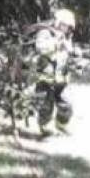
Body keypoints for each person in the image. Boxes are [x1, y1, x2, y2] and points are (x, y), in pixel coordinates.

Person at [33, 8, 75, 136]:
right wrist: (56, 43)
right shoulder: (45, 33)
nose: (66, 29)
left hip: (60, 78)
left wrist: (70, 49)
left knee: (66, 105)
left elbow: (68, 52)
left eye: (69, 27)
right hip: (46, 76)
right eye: (65, 25)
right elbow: (41, 49)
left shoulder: (66, 37)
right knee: (46, 104)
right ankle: (44, 127)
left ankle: (61, 124)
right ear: (58, 22)